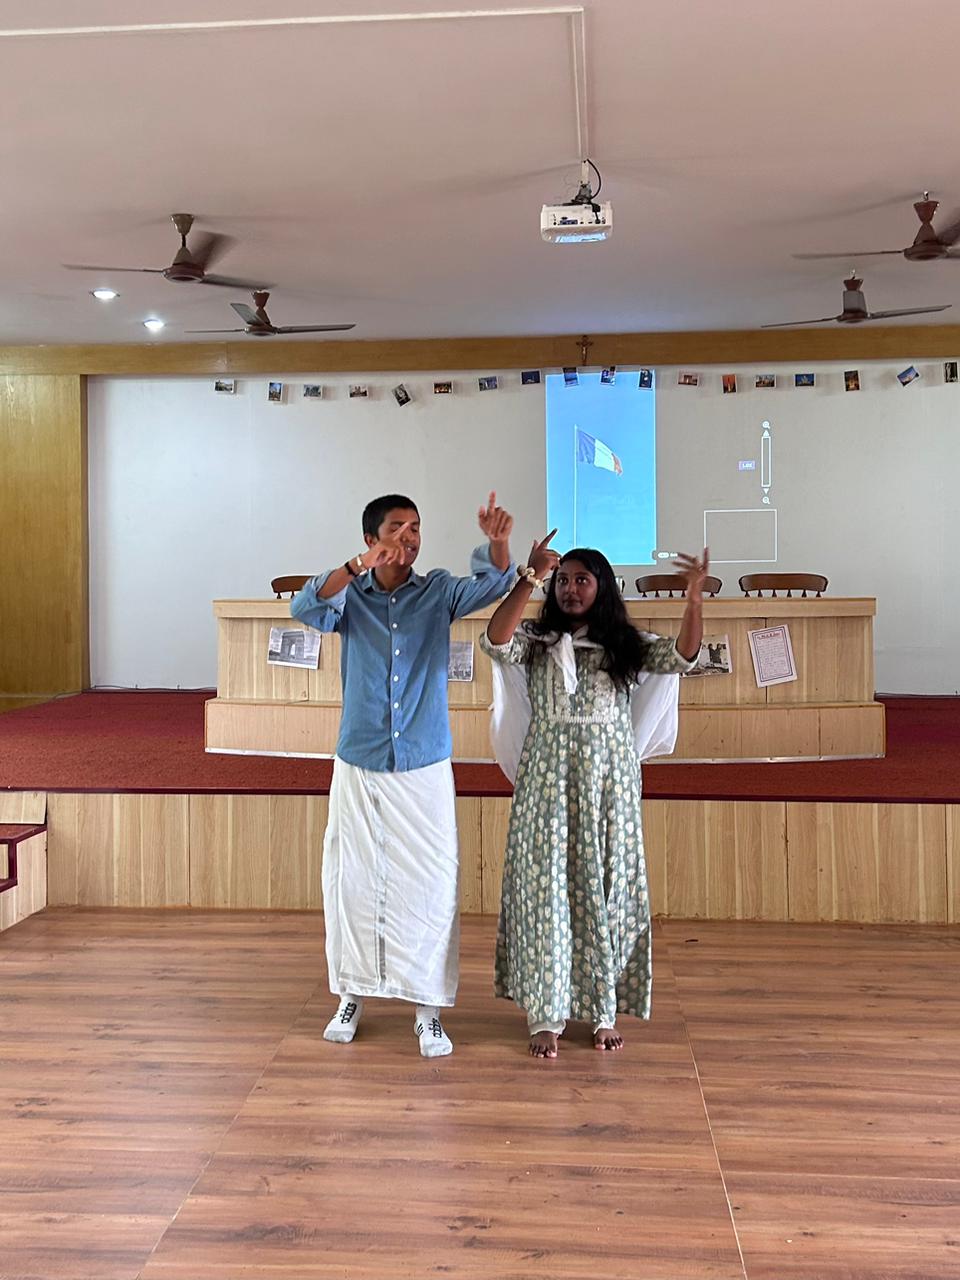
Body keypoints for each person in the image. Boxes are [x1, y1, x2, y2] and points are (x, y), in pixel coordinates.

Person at [291, 492, 514, 1057]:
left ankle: (428, 1010)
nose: (410, 537)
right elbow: (304, 607)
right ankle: (350, 994)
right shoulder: (350, 596)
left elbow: (494, 583)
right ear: (372, 539)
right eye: (398, 527)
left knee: (430, 887)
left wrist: (497, 543)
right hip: (360, 760)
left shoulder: (437, 590)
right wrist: (356, 567)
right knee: (351, 883)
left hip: (424, 762)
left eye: (416, 527)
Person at [479, 539, 708, 1059]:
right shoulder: (536, 641)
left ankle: (604, 1010)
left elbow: (682, 657)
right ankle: (546, 1014)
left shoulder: (626, 645)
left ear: (602, 587)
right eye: (563, 580)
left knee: (607, 889)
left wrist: (693, 600)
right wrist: (531, 577)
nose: (570, 589)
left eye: (582, 579)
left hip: (609, 789)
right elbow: (495, 641)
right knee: (546, 892)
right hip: (547, 786)